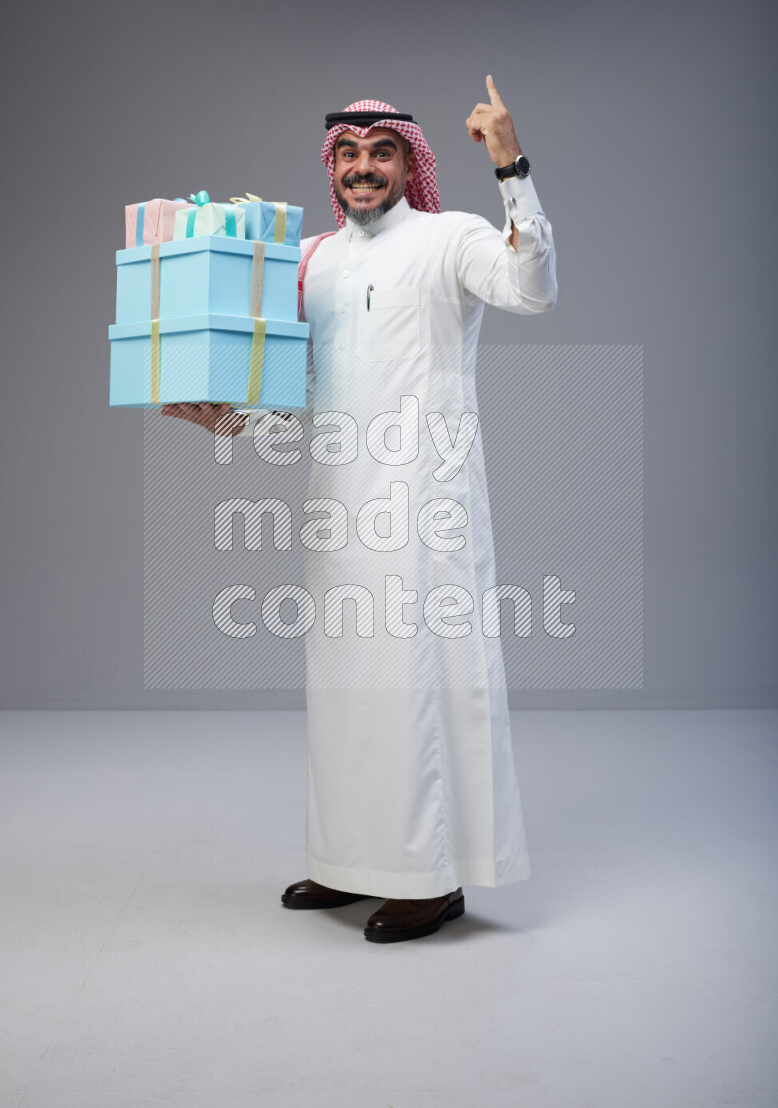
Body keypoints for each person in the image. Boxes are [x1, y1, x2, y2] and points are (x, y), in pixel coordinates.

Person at [162, 77, 557, 943]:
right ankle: (350, 861)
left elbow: (532, 288)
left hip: (427, 504)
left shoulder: (451, 237)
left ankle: (431, 879)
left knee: (418, 683)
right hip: (338, 505)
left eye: (381, 153)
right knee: (346, 689)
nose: (363, 167)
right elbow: (297, 396)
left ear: (409, 164)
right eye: (348, 153)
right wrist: (222, 419)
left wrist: (509, 163)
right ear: (332, 166)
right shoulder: (312, 261)